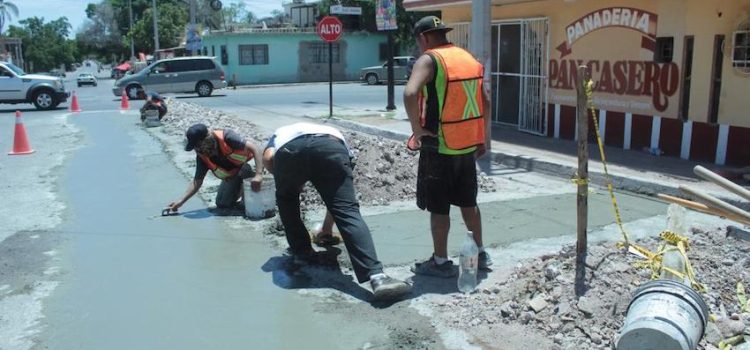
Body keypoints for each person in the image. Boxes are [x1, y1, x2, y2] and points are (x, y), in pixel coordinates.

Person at [262, 122, 411, 300]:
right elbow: (337, 202)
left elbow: (268, 157)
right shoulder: (333, 135)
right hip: (331, 149)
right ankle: (377, 277)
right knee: (347, 210)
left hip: (290, 151)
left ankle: (302, 253)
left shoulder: (280, 132)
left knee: (287, 201)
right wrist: (327, 228)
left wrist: (287, 181)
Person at [404, 16, 493, 278]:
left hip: (440, 145)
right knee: (469, 202)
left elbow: (410, 93)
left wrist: (417, 131)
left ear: (424, 38)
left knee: (439, 207)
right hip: (466, 145)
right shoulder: (467, 58)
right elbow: (485, 101)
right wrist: (482, 138)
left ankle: (441, 262)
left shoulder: (430, 59)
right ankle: (480, 253)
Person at [166, 123, 264, 213]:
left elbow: (255, 148)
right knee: (222, 203)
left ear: (206, 139)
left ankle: (248, 198)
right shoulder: (202, 156)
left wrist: (259, 175)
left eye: (198, 145)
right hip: (235, 174)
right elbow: (197, 181)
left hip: (251, 167)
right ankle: (242, 191)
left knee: (245, 169)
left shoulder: (227, 137)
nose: (197, 149)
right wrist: (180, 202)